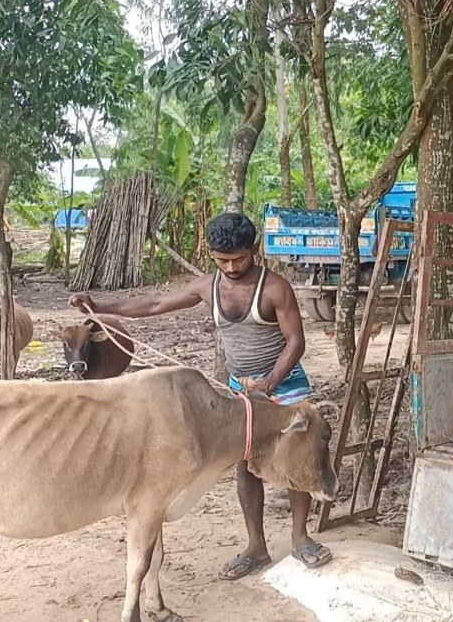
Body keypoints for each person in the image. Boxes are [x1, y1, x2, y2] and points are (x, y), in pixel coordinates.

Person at [69, 212, 332, 579]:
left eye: (238, 259)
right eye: (221, 260)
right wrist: (100, 307)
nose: (230, 266)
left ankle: (301, 537)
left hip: (284, 385)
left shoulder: (275, 289)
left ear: (253, 251)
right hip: (241, 388)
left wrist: (269, 384)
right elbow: (154, 305)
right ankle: (256, 547)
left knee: (297, 461)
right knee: (247, 466)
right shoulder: (208, 286)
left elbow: (296, 343)